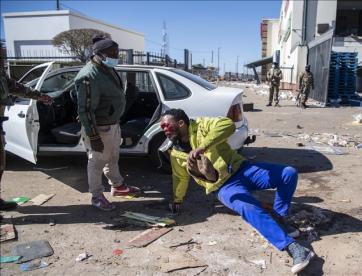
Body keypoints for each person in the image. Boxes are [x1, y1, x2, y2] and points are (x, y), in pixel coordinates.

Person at [160, 108, 315, 274]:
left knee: (288, 174)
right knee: (248, 207)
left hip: (242, 169)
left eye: (166, 126)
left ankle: (279, 218)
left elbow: (228, 125)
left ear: (181, 123)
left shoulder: (202, 125)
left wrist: (203, 147)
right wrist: (177, 200)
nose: (164, 130)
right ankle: (293, 247)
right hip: (221, 186)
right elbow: (180, 177)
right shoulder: (175, 151)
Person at [74, 36, 140, 211]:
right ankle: (96, 196)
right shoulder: (89, 76)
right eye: (112, 53)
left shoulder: (106, 68)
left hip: (112, 124)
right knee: (96, 162)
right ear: (99, 54)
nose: (116, 56)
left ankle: (118, 186)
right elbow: (86, 110)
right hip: (99, 128)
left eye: (117, 53)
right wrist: (93, 136)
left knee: (113, 158)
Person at [0, 55, 53, 211]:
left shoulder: (1, 73)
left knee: (0, 165)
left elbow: (15, 87)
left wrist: (39, 96)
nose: (3, 58)